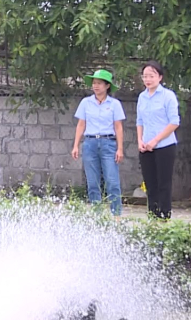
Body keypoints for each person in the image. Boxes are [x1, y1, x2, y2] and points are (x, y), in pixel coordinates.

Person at [72, 69, 125, 215]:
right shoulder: (86, 103)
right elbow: (81, 124)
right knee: (92, 183)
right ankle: (97, 215)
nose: (96, 86)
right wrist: (76, 145)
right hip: (90, 143)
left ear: (107, 86)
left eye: (99, 83)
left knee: (112, 181)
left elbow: (118, 127)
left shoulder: (114, 104)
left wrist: (120, 149)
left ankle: (116, 215)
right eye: (94, 83)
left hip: (108, 143)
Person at [136, 61, 180, 219]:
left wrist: (155, 140)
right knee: (150, 183)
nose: (148, 79)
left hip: (164, 145)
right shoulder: (142, 97)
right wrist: (140, 140)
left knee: (164, 183)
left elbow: (174, 122)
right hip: (146, 146)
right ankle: (152, 215)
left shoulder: (168, 96)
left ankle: (165, 215)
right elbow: (139, 121)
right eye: (145, 76)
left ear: (160, 77)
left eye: (151, 76)